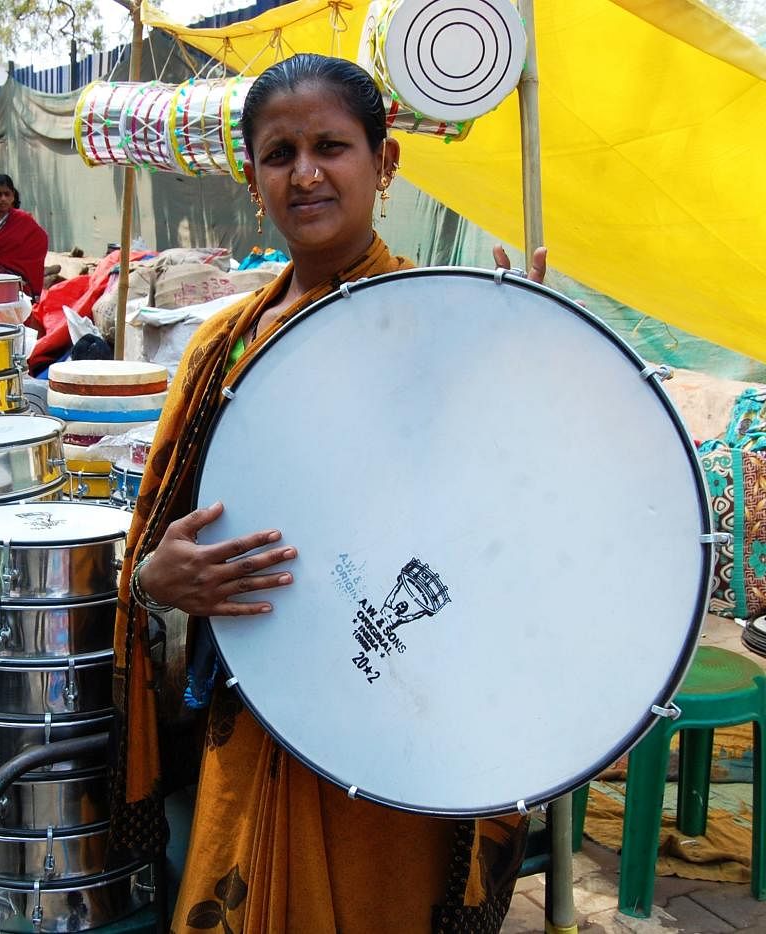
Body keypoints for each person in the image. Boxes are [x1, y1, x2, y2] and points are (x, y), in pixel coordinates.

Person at [111, 54, 547, 934]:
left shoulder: (444, 323)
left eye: (332, 146)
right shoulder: (221, 346)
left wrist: (526, 374)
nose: (305, 173)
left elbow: (509, 533)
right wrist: (158, 581)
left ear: (383, 164)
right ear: (252, 175)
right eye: (279, 152)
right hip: (252, 706)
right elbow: (158, 535)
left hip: (395, 722)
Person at [0, 173, 49, 300]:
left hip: (20, 282)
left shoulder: (23, 219)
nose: (3, 198)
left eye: (7, 194)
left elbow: (40, 241)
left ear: (13, 195)